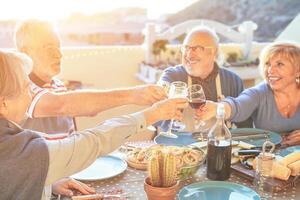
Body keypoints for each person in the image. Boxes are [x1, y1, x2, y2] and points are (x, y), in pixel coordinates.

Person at [0, 50, 188, 200]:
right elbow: (93, 142)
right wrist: (151, 114)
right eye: (26, 88)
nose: (31, 94)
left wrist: (44, 181)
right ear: (3, 103)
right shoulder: (15, 150)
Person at [14, 19, 166, 135]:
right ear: (25, 53)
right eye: (49, 48)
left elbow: (87, 110)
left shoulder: (57, 85)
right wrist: (134, 95)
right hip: (41, 176)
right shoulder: (19, 88)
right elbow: (62, 105)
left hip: (65, 173)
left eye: (59, 47)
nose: (59, 54)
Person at [197, 41, 300, 146]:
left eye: (280, 64)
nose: (270, 70)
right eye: (267, 64)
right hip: (267, 156)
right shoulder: (259, 93)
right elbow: (238, 105)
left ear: (298, 71)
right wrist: (217, 108)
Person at [157, 26, 252, 132]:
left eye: (196, 48)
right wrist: (162, 95)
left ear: (213, 52)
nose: (189, 54)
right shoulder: (172, 76)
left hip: (218, 146)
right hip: (177, 147)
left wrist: (222, 109)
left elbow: (245, 125)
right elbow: (157, 108)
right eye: (186, 48)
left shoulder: (233, 81)